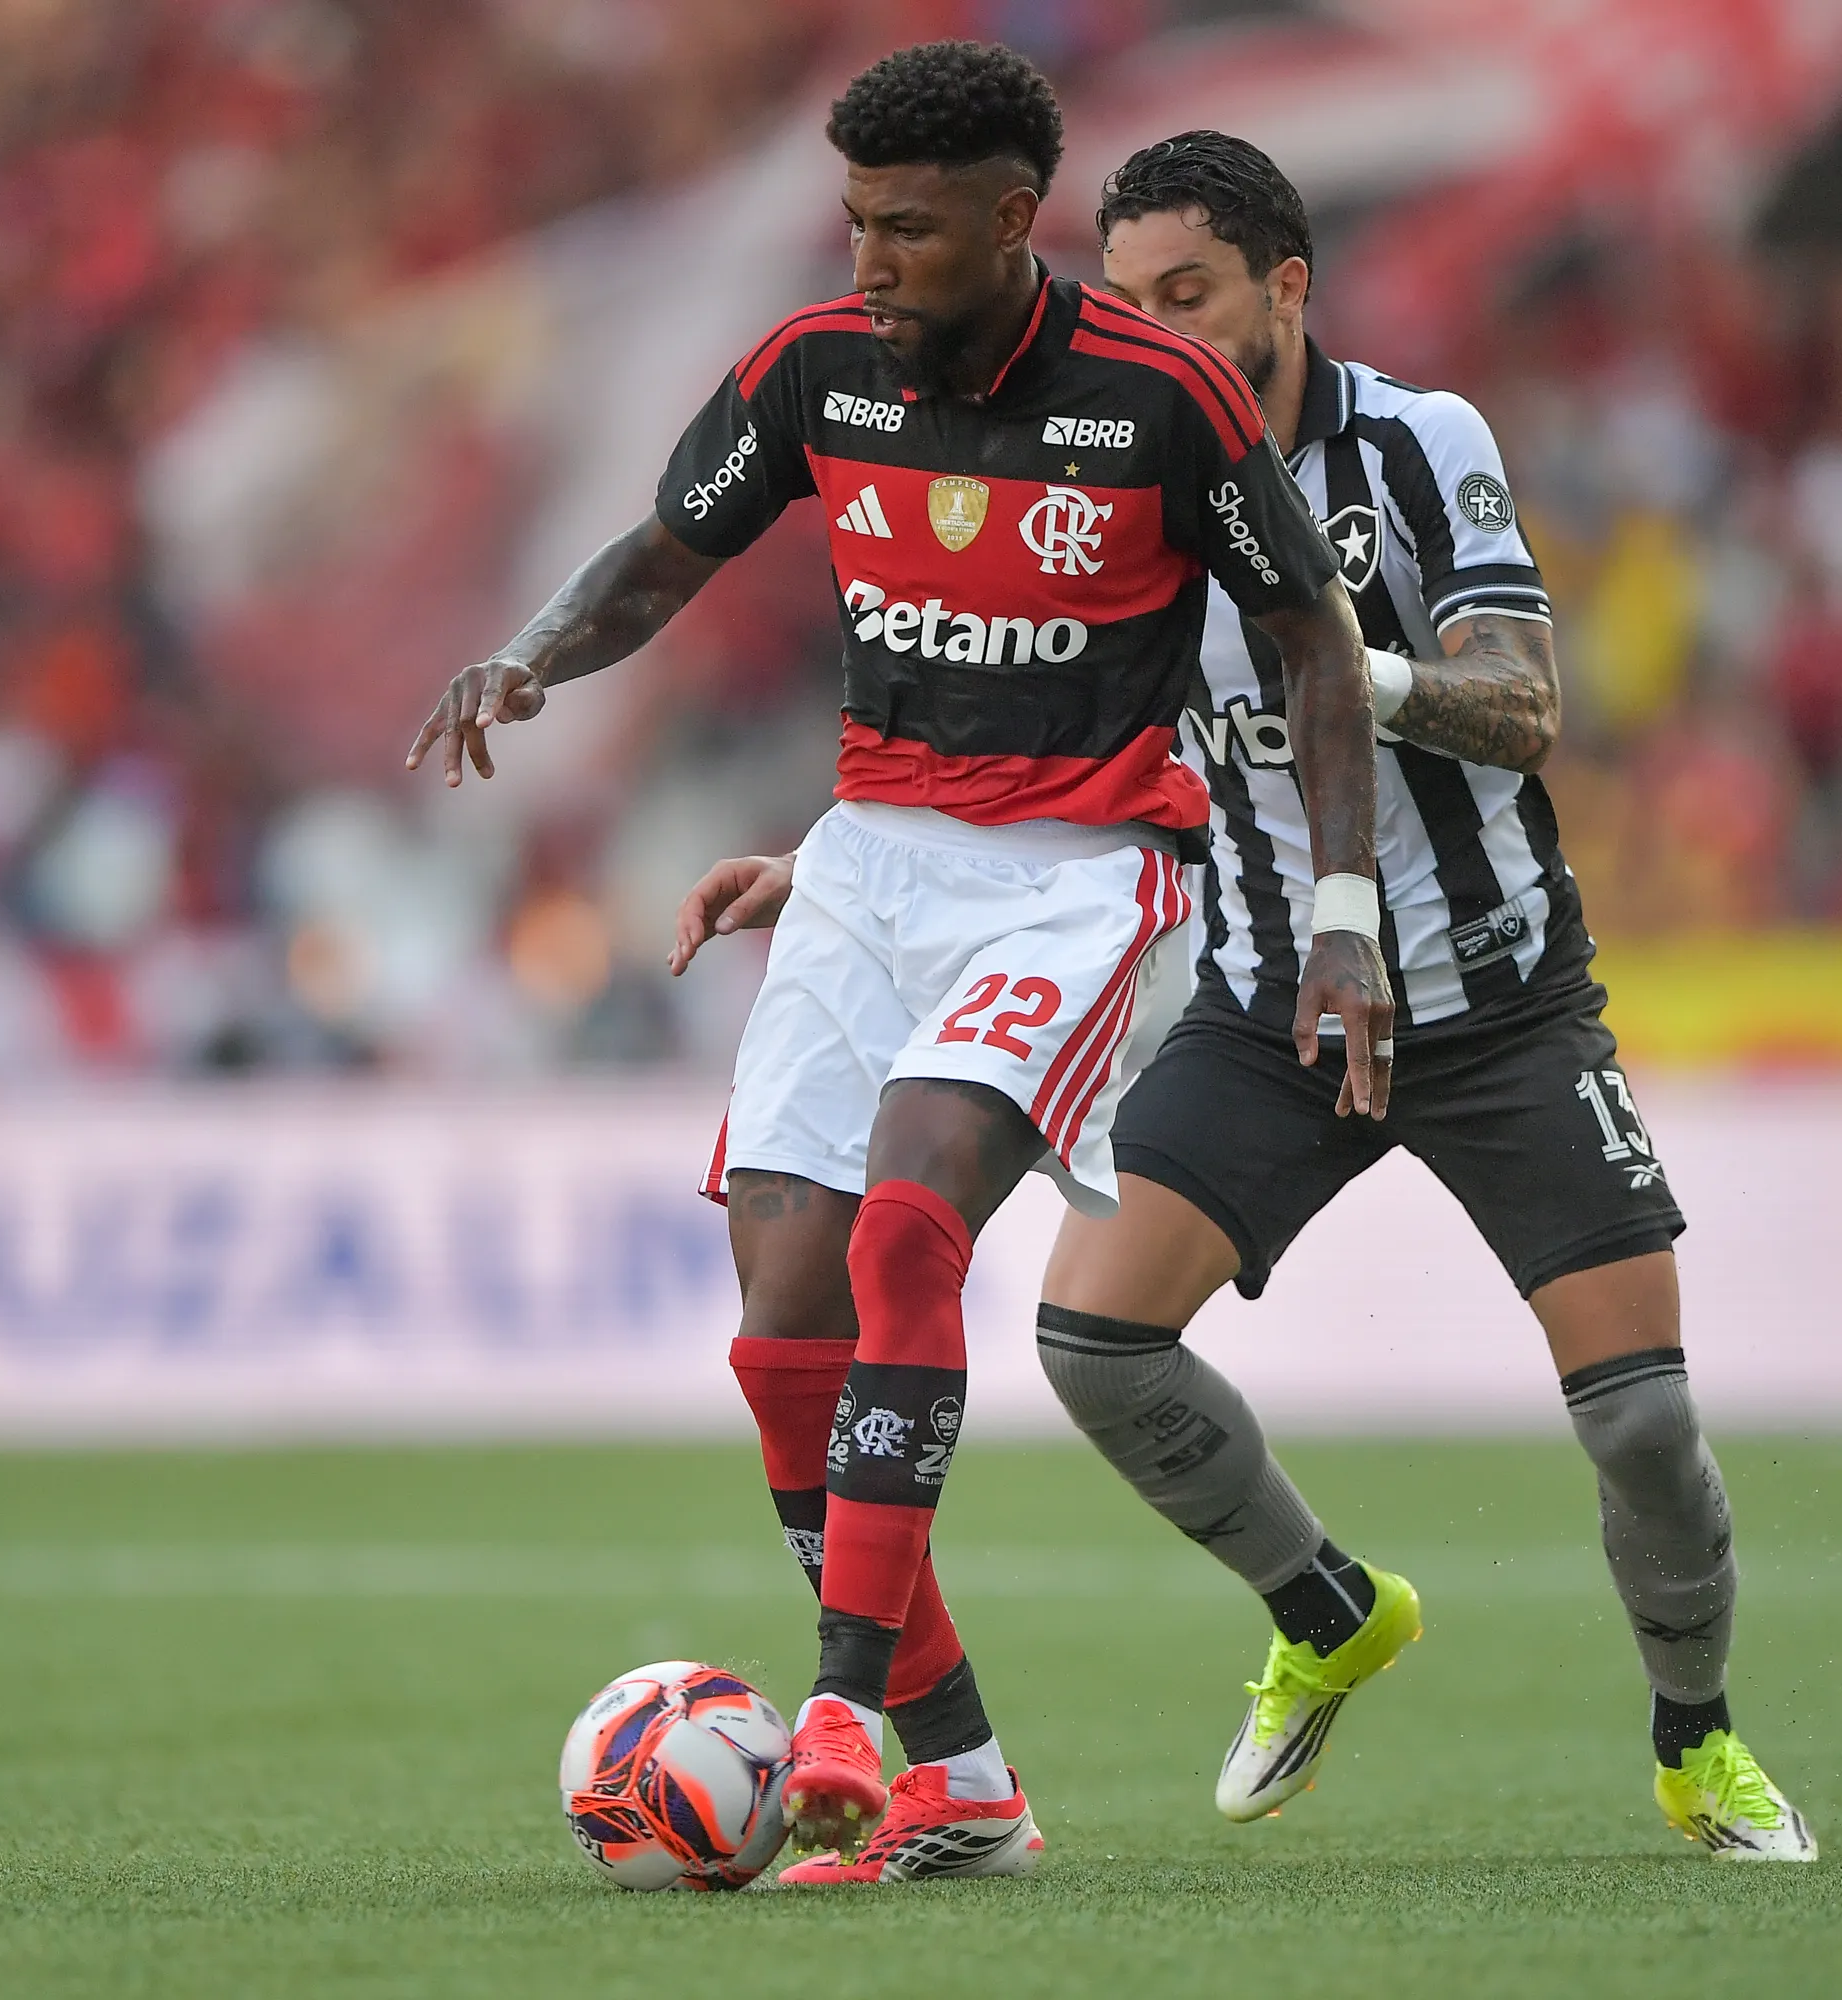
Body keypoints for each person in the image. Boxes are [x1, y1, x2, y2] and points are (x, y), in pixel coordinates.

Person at [412, 49, 1391, 1884]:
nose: (870, 259)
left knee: (907, 1225)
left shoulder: (1161, 395)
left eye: (910, 229)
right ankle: (964, 1780)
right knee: (786, 1318)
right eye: (857, 220)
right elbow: (662, 553)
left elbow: (1315, 644)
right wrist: (528, 656)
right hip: (867, 861)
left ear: (1018, 222)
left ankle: (843, 1707)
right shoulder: (812, 372)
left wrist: (1342, 914)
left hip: (1080, 876)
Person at [1033, 131, 1812, 1858]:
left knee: (1649, 1427)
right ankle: (1325, 1613)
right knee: (1089, 1341)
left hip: (1504, 1000)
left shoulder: (1416, 440)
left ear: (1286, 288)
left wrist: (1342, 657)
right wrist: (852, 859)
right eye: (1126, 304)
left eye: (1191, 297)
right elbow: (1052, 742)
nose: (1154, 333)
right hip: (1269, 1009)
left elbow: (1525, 706)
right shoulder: (1108, 501)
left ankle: (1697, 1742)